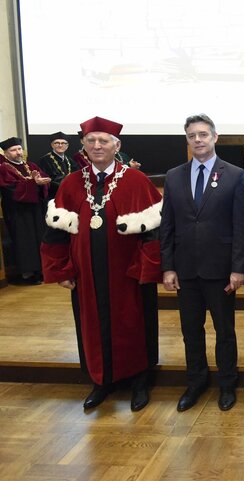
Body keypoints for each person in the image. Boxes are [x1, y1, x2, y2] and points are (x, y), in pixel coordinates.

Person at [41, 116, 163, 411]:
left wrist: (148, 269)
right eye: (91, 141)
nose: (97, 146)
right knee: (91, 326)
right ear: (82, 146)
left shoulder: (136, 180)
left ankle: (138, 381)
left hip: (129, 275)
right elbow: (55, 232)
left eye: (104, 141)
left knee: (134, 324)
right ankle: (101, 381)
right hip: (86, 276)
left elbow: (155, 233)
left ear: (116, 145)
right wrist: (61, 270)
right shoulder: (71, 183)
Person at [160, 114, 244, 412]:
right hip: (185, 270)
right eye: (191, 136)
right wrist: (168, 267)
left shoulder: (234, 175)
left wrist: (238, 268)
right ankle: (196, 382)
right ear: (187, 140)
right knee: (191, 331)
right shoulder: (173, 175)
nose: (197, 140)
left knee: (224, 331)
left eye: (203, 134)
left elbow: (241, 226)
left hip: (221, 269)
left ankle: (227, 383)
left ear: (215, 137)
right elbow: (167, 226)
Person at [0, 136, 50, 284]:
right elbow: (10, 189)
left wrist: (41, 184)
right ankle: (26, 274)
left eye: (19, 149)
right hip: (17, 211)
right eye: (13, 150)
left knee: (38, 238)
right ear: (6, 153)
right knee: (24, 241)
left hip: (35, 209)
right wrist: (32, 183)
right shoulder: (3, 168)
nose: (18, 152)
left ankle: (40, 270)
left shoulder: (31, 165)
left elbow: (43, 179)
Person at [36, 132, 79, 199]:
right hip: (53, 196)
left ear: (67, 146)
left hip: (71, 195)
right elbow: (46, 181)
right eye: (57, 143)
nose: (60, 145)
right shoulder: (44, 161)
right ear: (52, 145)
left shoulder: (71, 161)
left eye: (63, 143)